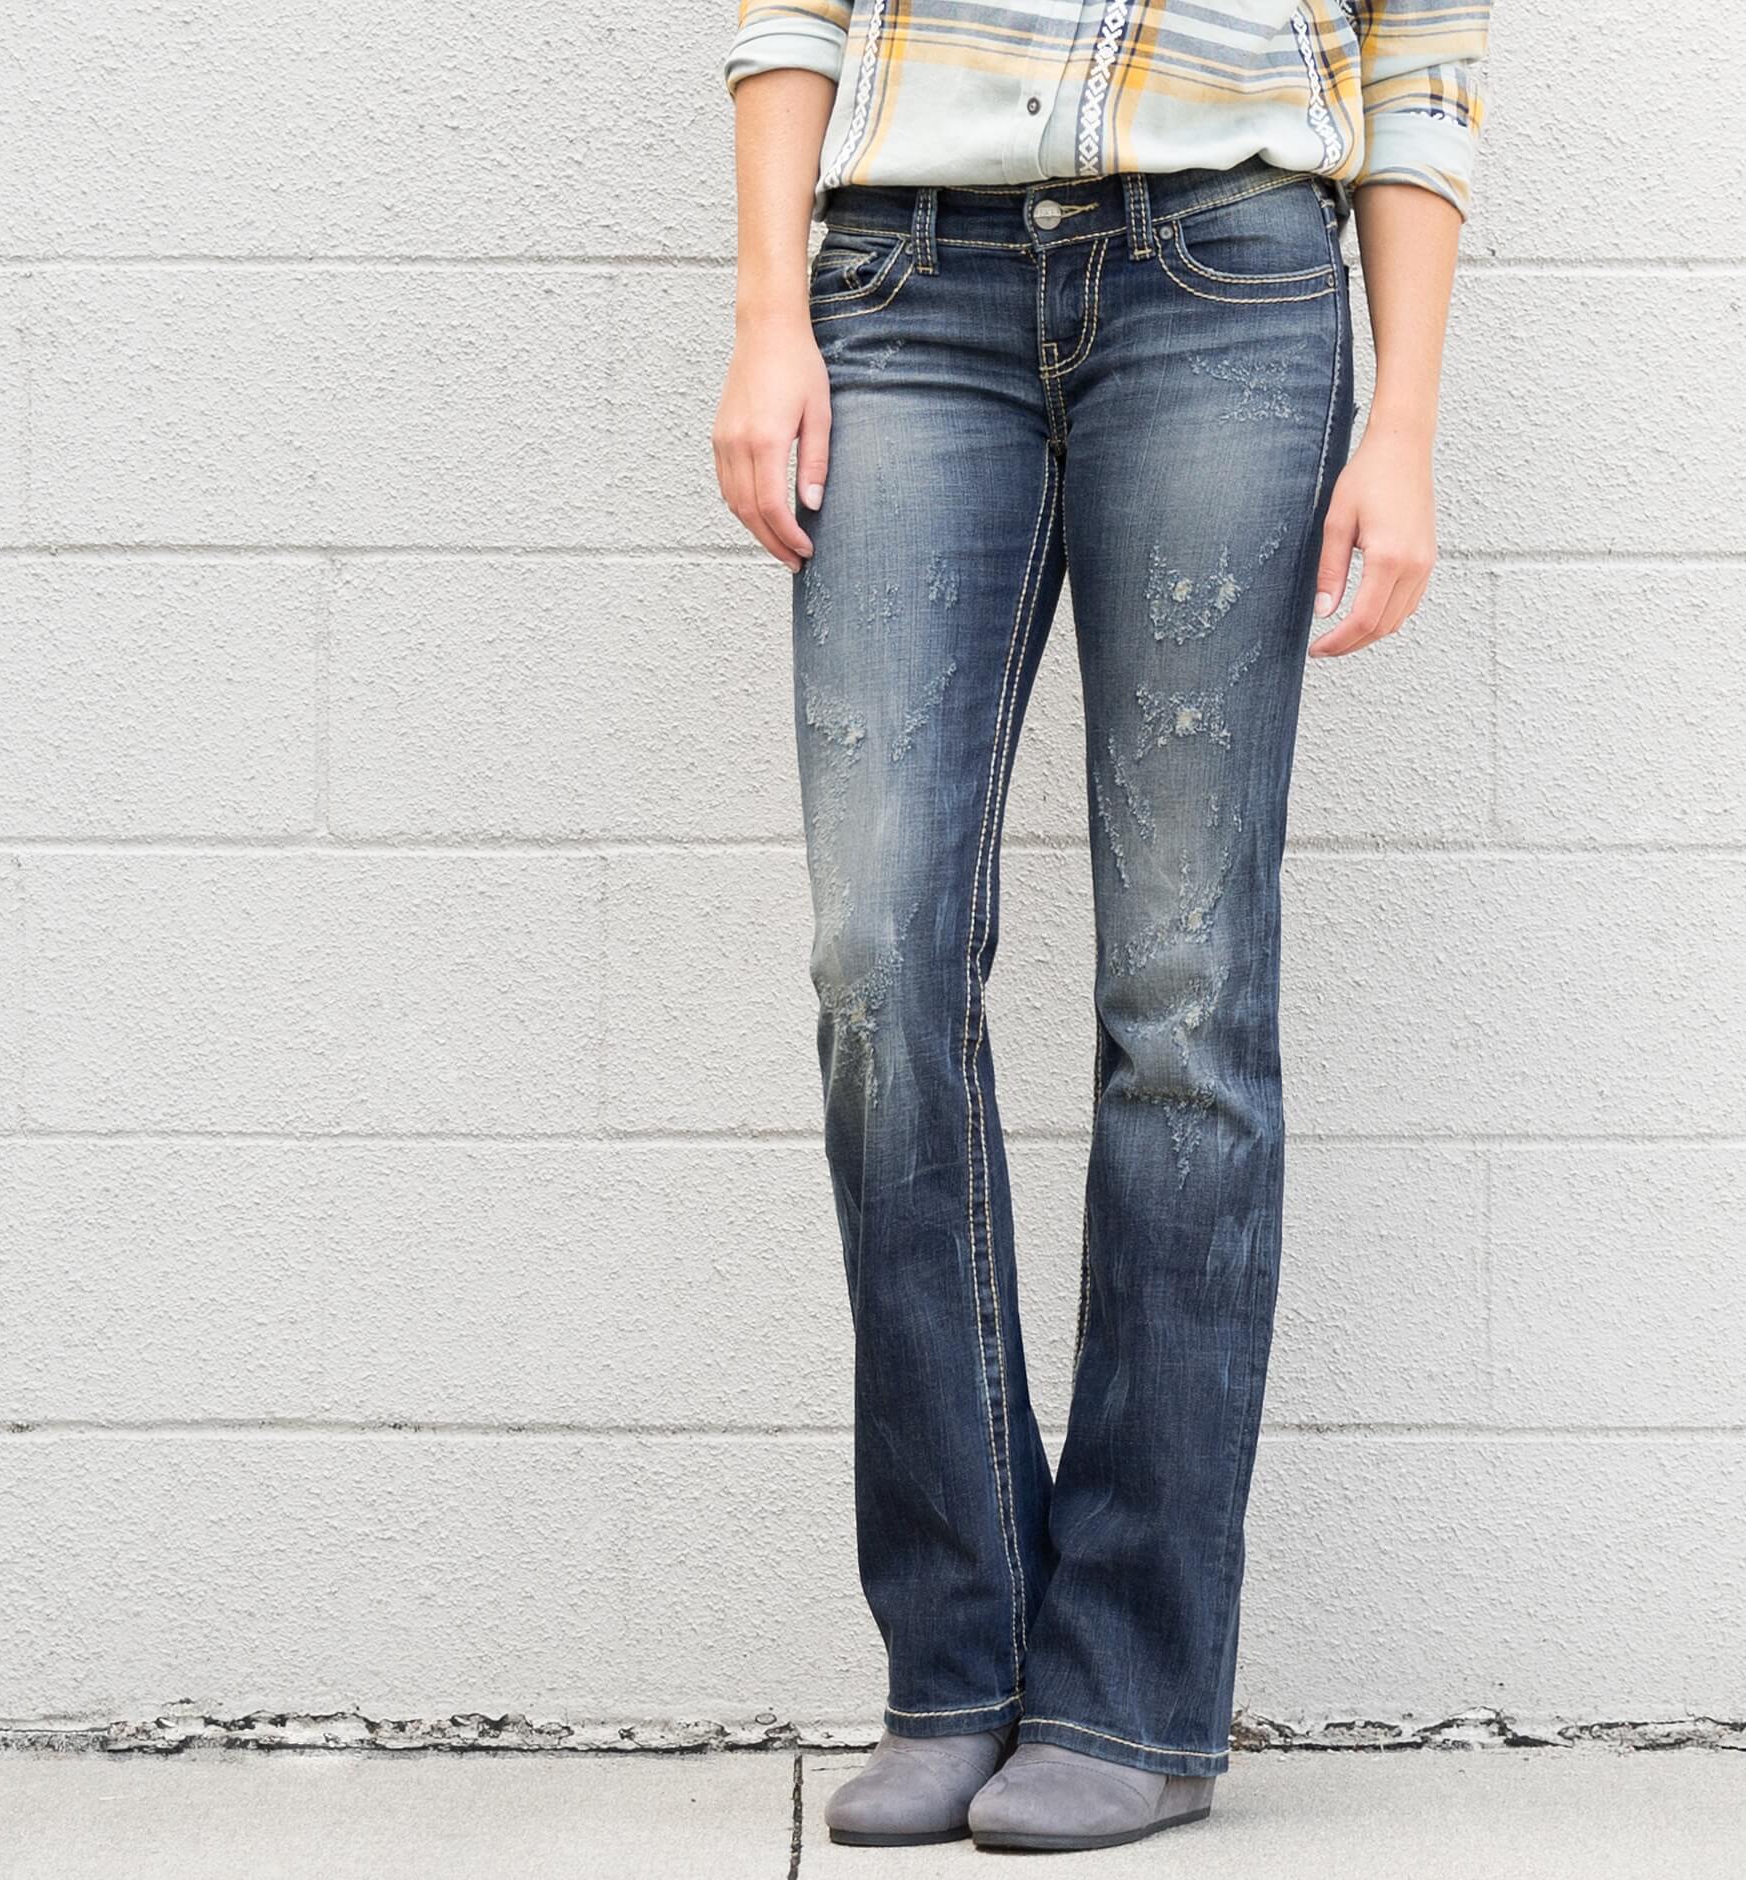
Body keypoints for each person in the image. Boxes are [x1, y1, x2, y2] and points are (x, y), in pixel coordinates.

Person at [710, 0, 1485, 1857]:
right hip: (904, 282)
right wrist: (765, 311)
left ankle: (1132, 1695)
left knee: (1183, 996)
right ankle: (957, 1665)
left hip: (1228, 281)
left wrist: (1403, 421)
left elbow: (1423, 59)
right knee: (877, 965)